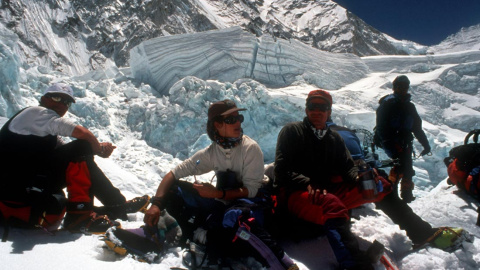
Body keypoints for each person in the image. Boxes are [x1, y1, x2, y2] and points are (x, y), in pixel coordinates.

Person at [143, 99, 297, 269]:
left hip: (254, 206)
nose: (238, 122)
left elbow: (252, 191)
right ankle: (184, 233)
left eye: (239, 118)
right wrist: (156, 204)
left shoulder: (250, 149)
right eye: (231, 120)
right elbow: (174, 174)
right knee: (174, 189)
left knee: (235, 217)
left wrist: (217, 194)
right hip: (224, 204)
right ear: (217, 124)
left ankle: (283, 263)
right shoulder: (212, 152)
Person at [0, 83, 149, 234]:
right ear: (44, 99)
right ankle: (80, 217)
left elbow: (69, 152)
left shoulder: (43, 127)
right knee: (82, 146)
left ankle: (115, 205)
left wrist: (95, 148)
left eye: (67, 102)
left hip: (24, 184)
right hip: (14, 187)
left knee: (81, 154)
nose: (61, 104)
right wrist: (98, 149)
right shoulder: (36, 113)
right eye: (57, 98)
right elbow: (83, 134)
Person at [273, 90, 391, 270]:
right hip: (296, 194)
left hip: (325, 193)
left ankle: (418, 232)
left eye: (323, 107)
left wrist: (360, 177)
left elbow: (347, 167)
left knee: (381, 185)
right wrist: (306, 182)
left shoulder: (333, 138)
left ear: (329, 111)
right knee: (332, 204)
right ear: (306, 109)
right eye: (313, 106)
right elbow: (282, 170)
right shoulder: (292, 131)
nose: (317, 111)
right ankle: (353, 263)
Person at [326, 119, 440, 248]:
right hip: (363, 183)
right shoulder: (348, 133)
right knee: (384, 188)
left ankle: (342, 237)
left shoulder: (312, 136)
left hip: (331, 194)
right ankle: (422, 233)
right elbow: (367, 160)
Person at [375, 75, 431, 203]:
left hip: (404, 142)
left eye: (405, 87)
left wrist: (425, 144)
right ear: (395, 87)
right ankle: (391, 194)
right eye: (400, 86)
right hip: (392, 141)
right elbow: (381, 126)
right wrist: (388, 144)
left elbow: (417, 127)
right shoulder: (388, 103)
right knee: (401, 167)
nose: (403, 89)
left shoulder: (409, 106)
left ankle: (403, 195)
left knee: (406, 168)